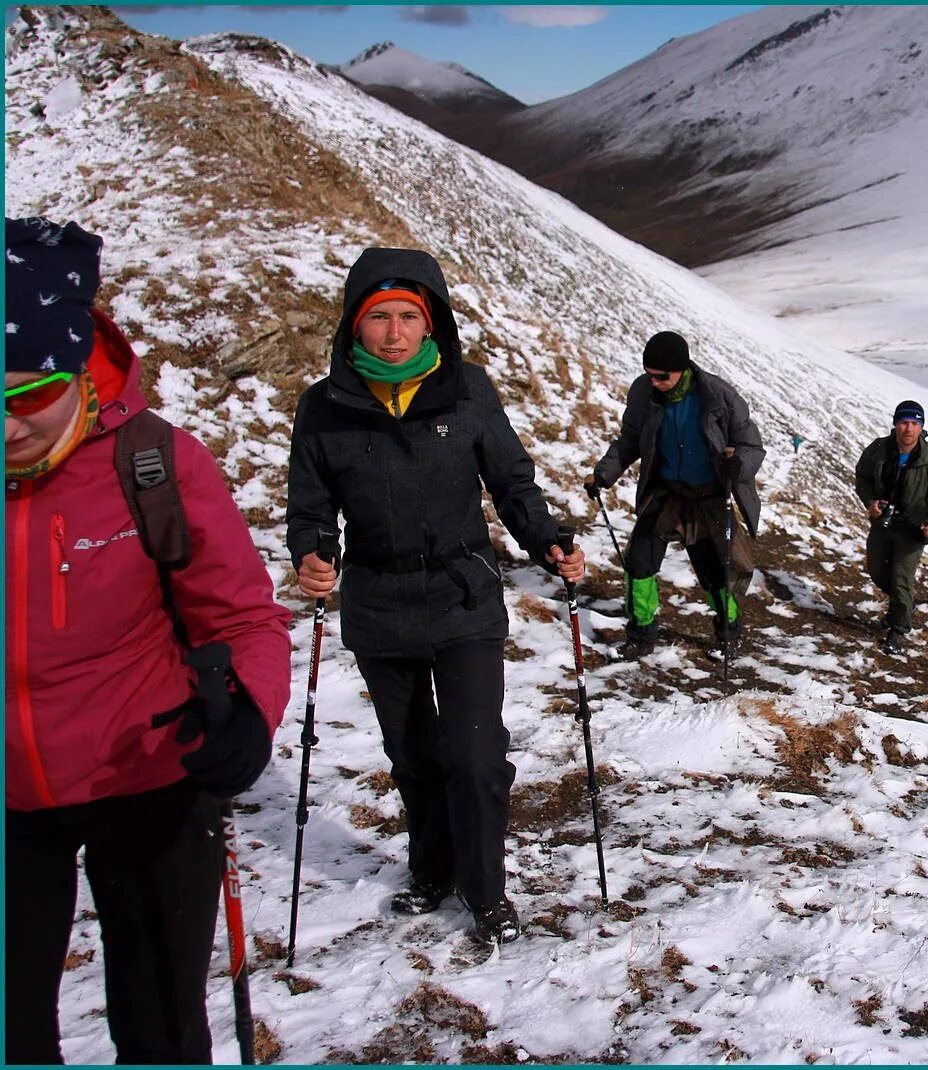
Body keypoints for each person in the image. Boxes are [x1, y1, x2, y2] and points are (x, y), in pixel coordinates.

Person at [5, 217, 291, 1063]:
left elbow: (239, 614)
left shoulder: (154, 461)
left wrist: (246, 710)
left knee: (160, 1021)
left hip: (150, 771)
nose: (8, 425)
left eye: (29, 397)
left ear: (79, 369)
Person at [286, 247, 585, 945]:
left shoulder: (468, 389)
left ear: (431, 324)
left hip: (462, 596)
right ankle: (432, 867)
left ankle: (485, 889)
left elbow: (511, 481)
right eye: (380, 318)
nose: (394, 332)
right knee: (414, 754)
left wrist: (546, 539)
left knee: (477, 755)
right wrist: (311, 551)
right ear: (354, 328)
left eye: (408, 318)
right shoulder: (324, 406)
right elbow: (309, 502)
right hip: (378, 600)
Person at [585, 331, 764, 659]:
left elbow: (752, 445)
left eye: (661, 376)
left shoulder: (718, 397)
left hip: (709, 498)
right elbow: (630, 440)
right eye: (649, 374)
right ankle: (641, 633)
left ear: (682, 369)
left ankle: (728, 631)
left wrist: (737, 465)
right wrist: (604, 474)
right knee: (639, 562)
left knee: (714, 573)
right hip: (666, 493)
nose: (654, 381)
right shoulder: (643, 393)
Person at [854, 400, 928, 654]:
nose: (908, 428)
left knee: (901, 579)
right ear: (895, 424)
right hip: (883, 521)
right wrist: (870, 501)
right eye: (904, 422)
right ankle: (904, 603)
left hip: (913, 528)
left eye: (914, 423)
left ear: (921, 426)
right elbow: (862, 475)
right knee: (877, 571)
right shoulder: (879, 449)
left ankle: (897, 629)